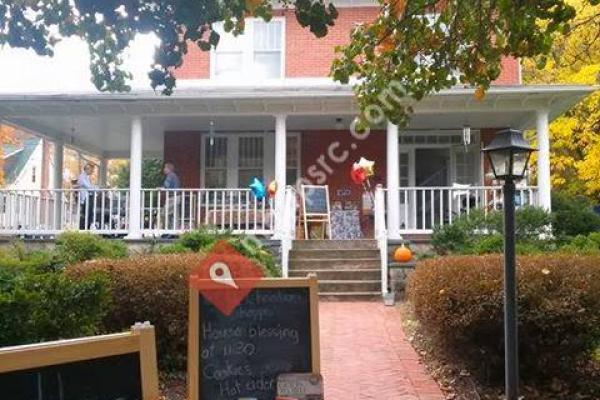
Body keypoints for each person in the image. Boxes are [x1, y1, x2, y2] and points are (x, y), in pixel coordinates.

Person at [161, 162, 181, 232]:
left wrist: (160, 188)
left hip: (173, 197)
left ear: (169, 169)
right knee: (174, 216)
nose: (164, 169)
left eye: (165, 168)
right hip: (176, 197)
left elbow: (166, 186)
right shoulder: (174, 175)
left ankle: (166, 231)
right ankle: (174, 232)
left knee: (163, 214)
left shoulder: (170, 175)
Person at [78, 163, 98, 229]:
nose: (92, 171)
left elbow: (91, 187)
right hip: (85, 198)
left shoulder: (87, 177)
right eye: (91, 170)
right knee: (85, 214)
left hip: (89, 197)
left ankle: (88, 227)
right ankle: (83, 229)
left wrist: (96, 188)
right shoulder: (82, 177)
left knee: (89, 214)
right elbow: (89, 187)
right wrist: (96, 188)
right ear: (87, 169)